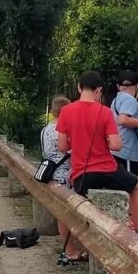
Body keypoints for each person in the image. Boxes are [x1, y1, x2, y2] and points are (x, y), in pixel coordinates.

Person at [56, 71, 138, 238]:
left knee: (70, 206)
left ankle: (71, 251)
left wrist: (77, 140)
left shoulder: (66, 111)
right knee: (136, 186)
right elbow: (117, 145)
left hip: (81, 174)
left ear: (79, 88)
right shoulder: (104, 112)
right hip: (107, 170)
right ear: (98, 90)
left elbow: (62, 146)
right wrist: (103, 140)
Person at [41, 96, 84, 264]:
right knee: (66, 215)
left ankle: (70, 248)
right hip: (64, 175)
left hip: (51, 175)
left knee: (61, 213)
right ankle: (70, 250)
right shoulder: (64, 130)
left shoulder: (46, 129)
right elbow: (71, 152)